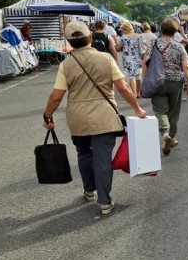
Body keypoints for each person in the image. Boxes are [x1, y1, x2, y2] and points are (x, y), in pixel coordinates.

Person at [41, 20, 147, 215]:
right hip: (104, 116)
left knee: (84, 154)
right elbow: (122, 87)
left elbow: (57, 96)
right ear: (90, 38)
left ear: (69, 42)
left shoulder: (66, 65)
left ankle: (89, 190)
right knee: (103, 159)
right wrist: (138, 109)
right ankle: (105, 201)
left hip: (78, 118)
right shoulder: (106, 59)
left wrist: (47, 116)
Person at [141, 18, 188, 156]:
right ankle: (173, 137)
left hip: (158, 81)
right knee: (174, 111)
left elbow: (145, 61)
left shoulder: (153, 43)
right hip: (176, 82)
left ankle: (165, 133)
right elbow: (186, 67)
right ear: (175, 32)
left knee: (160, 110)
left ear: (160, 30)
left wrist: (145, 80)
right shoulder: (178, 46)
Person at [116, 22, 143, 96]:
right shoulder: (138, 36)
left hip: (128, 59)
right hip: (137, 58)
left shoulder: (123, 37)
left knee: (132, 77)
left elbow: (117, 48)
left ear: (124, 30)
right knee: (138, 76)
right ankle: (138, 93)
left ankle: (133, 94)